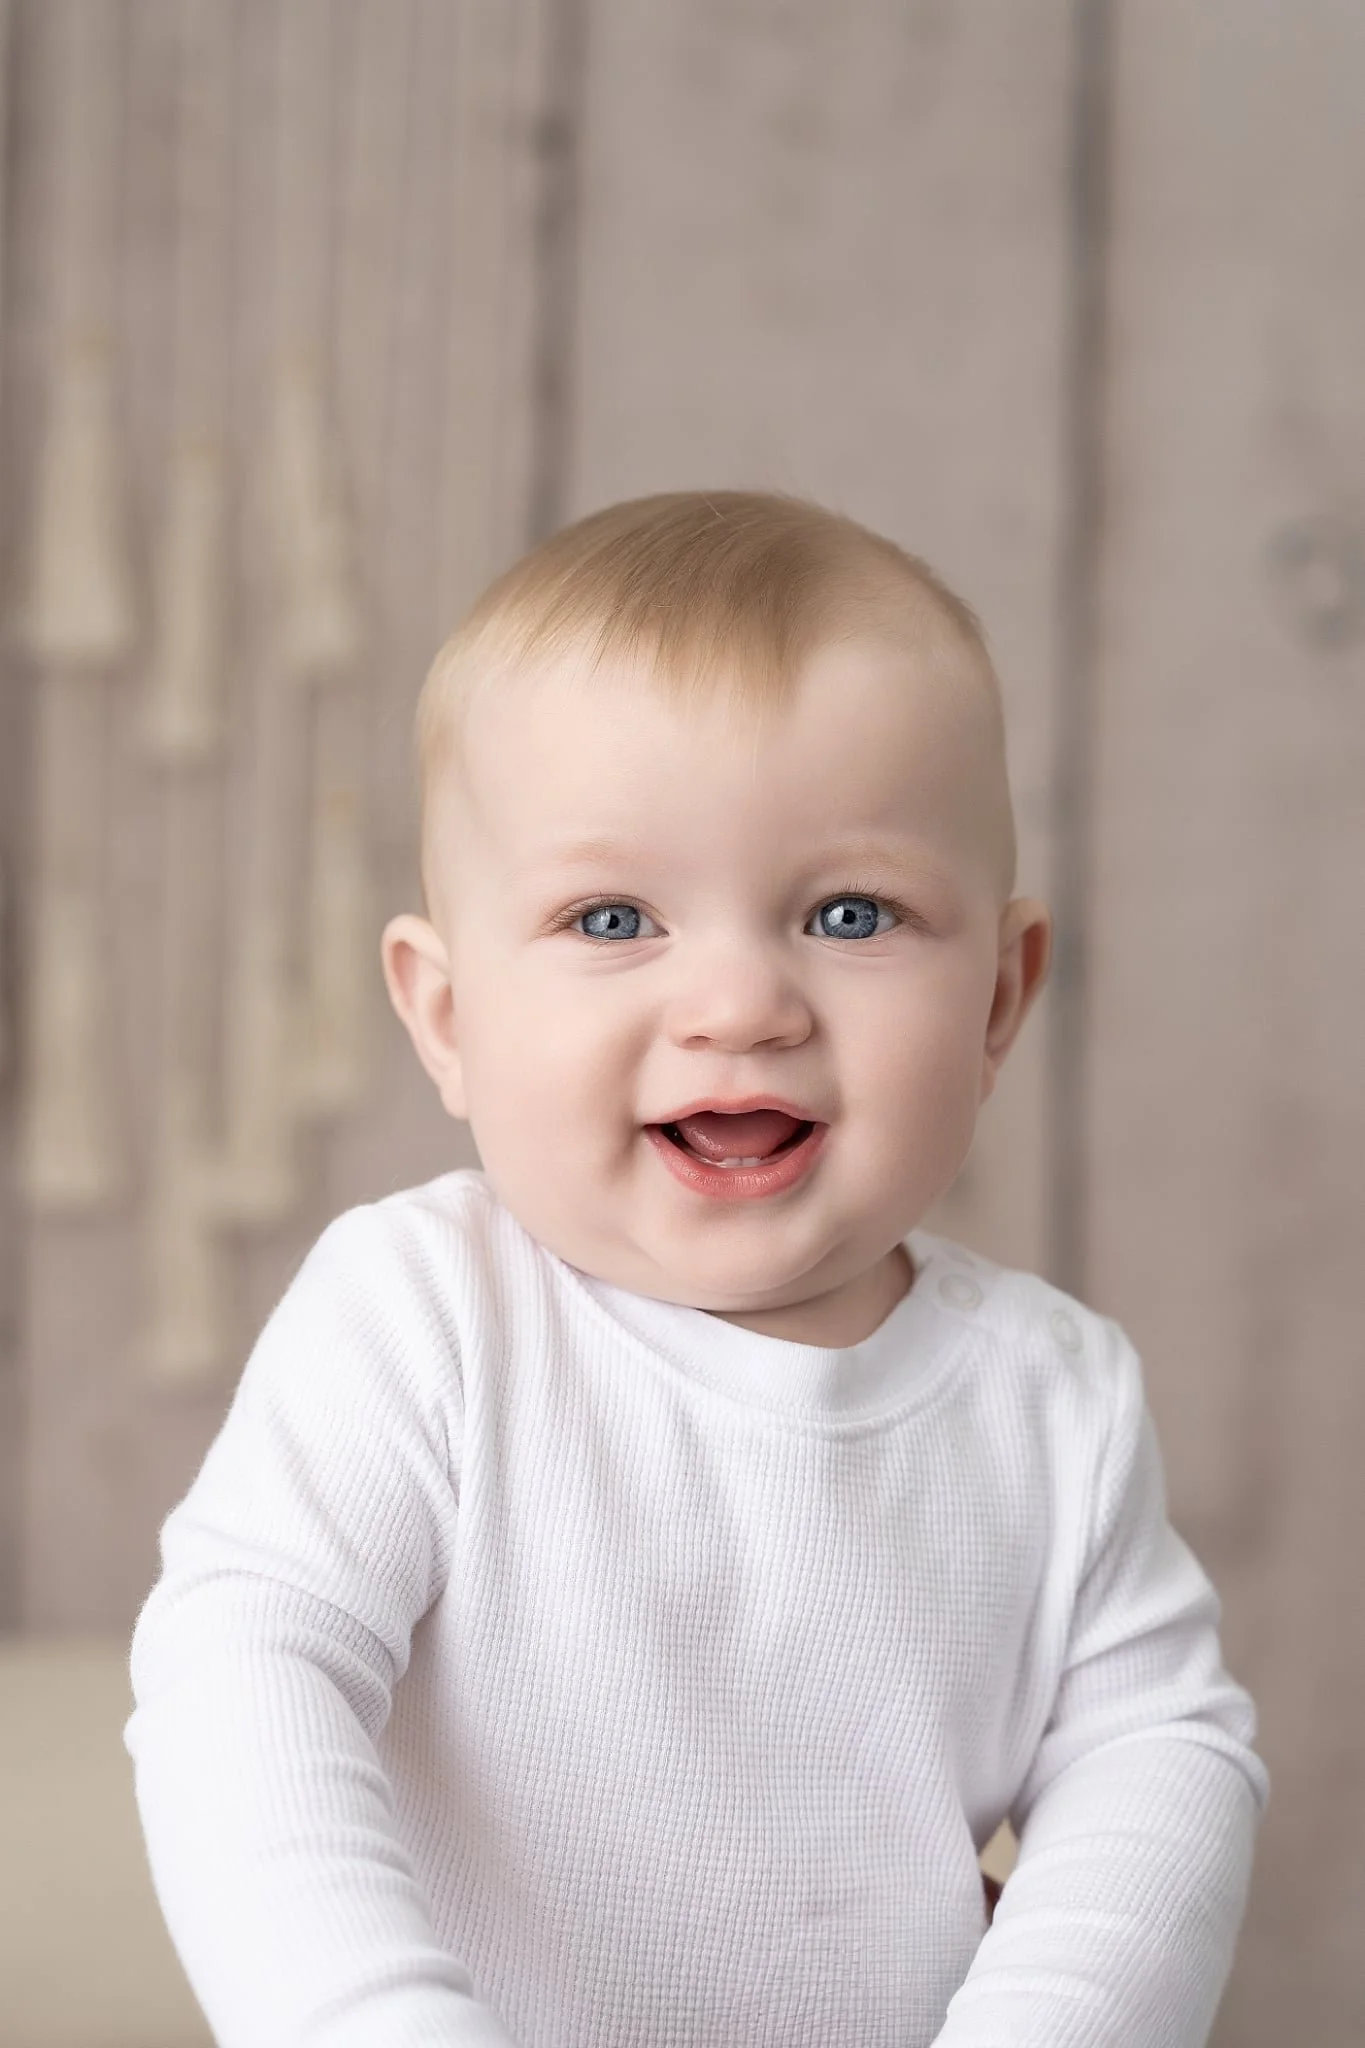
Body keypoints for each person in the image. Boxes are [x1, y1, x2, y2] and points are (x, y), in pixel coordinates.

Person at [125, 491, 1267, 2048]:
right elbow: (242, 1676)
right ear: (448, 1016)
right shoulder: (425, 1319)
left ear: (999, 996)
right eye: (615, 918)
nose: (740, 1002)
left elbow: (1160, 1770)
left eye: (849, 913)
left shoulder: (1051, 1401)